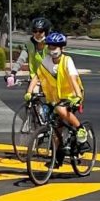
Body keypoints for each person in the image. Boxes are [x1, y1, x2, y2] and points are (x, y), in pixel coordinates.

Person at [25, 32, 86, 169]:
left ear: (62, 48)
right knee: (55, 128)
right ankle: (57, 159)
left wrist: (78, 97)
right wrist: (29, 92)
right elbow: (37, 77)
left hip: (71, 95)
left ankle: (80, 129)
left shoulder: (67, 60)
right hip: (55, 98)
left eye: (55, 47)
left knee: (60, 110)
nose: (53, 50)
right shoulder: (46, 61)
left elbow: (73, 79)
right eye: (51, 47)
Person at [6, 17, 50, 87]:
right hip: (34, 77)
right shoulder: (28, 45)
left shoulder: (51, 44)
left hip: (50, 77)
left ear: (46, 31)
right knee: (32, 95)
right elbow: (21, 59)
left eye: (41, 31)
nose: (37, 33)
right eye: (35, 31)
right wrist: (13, 73)